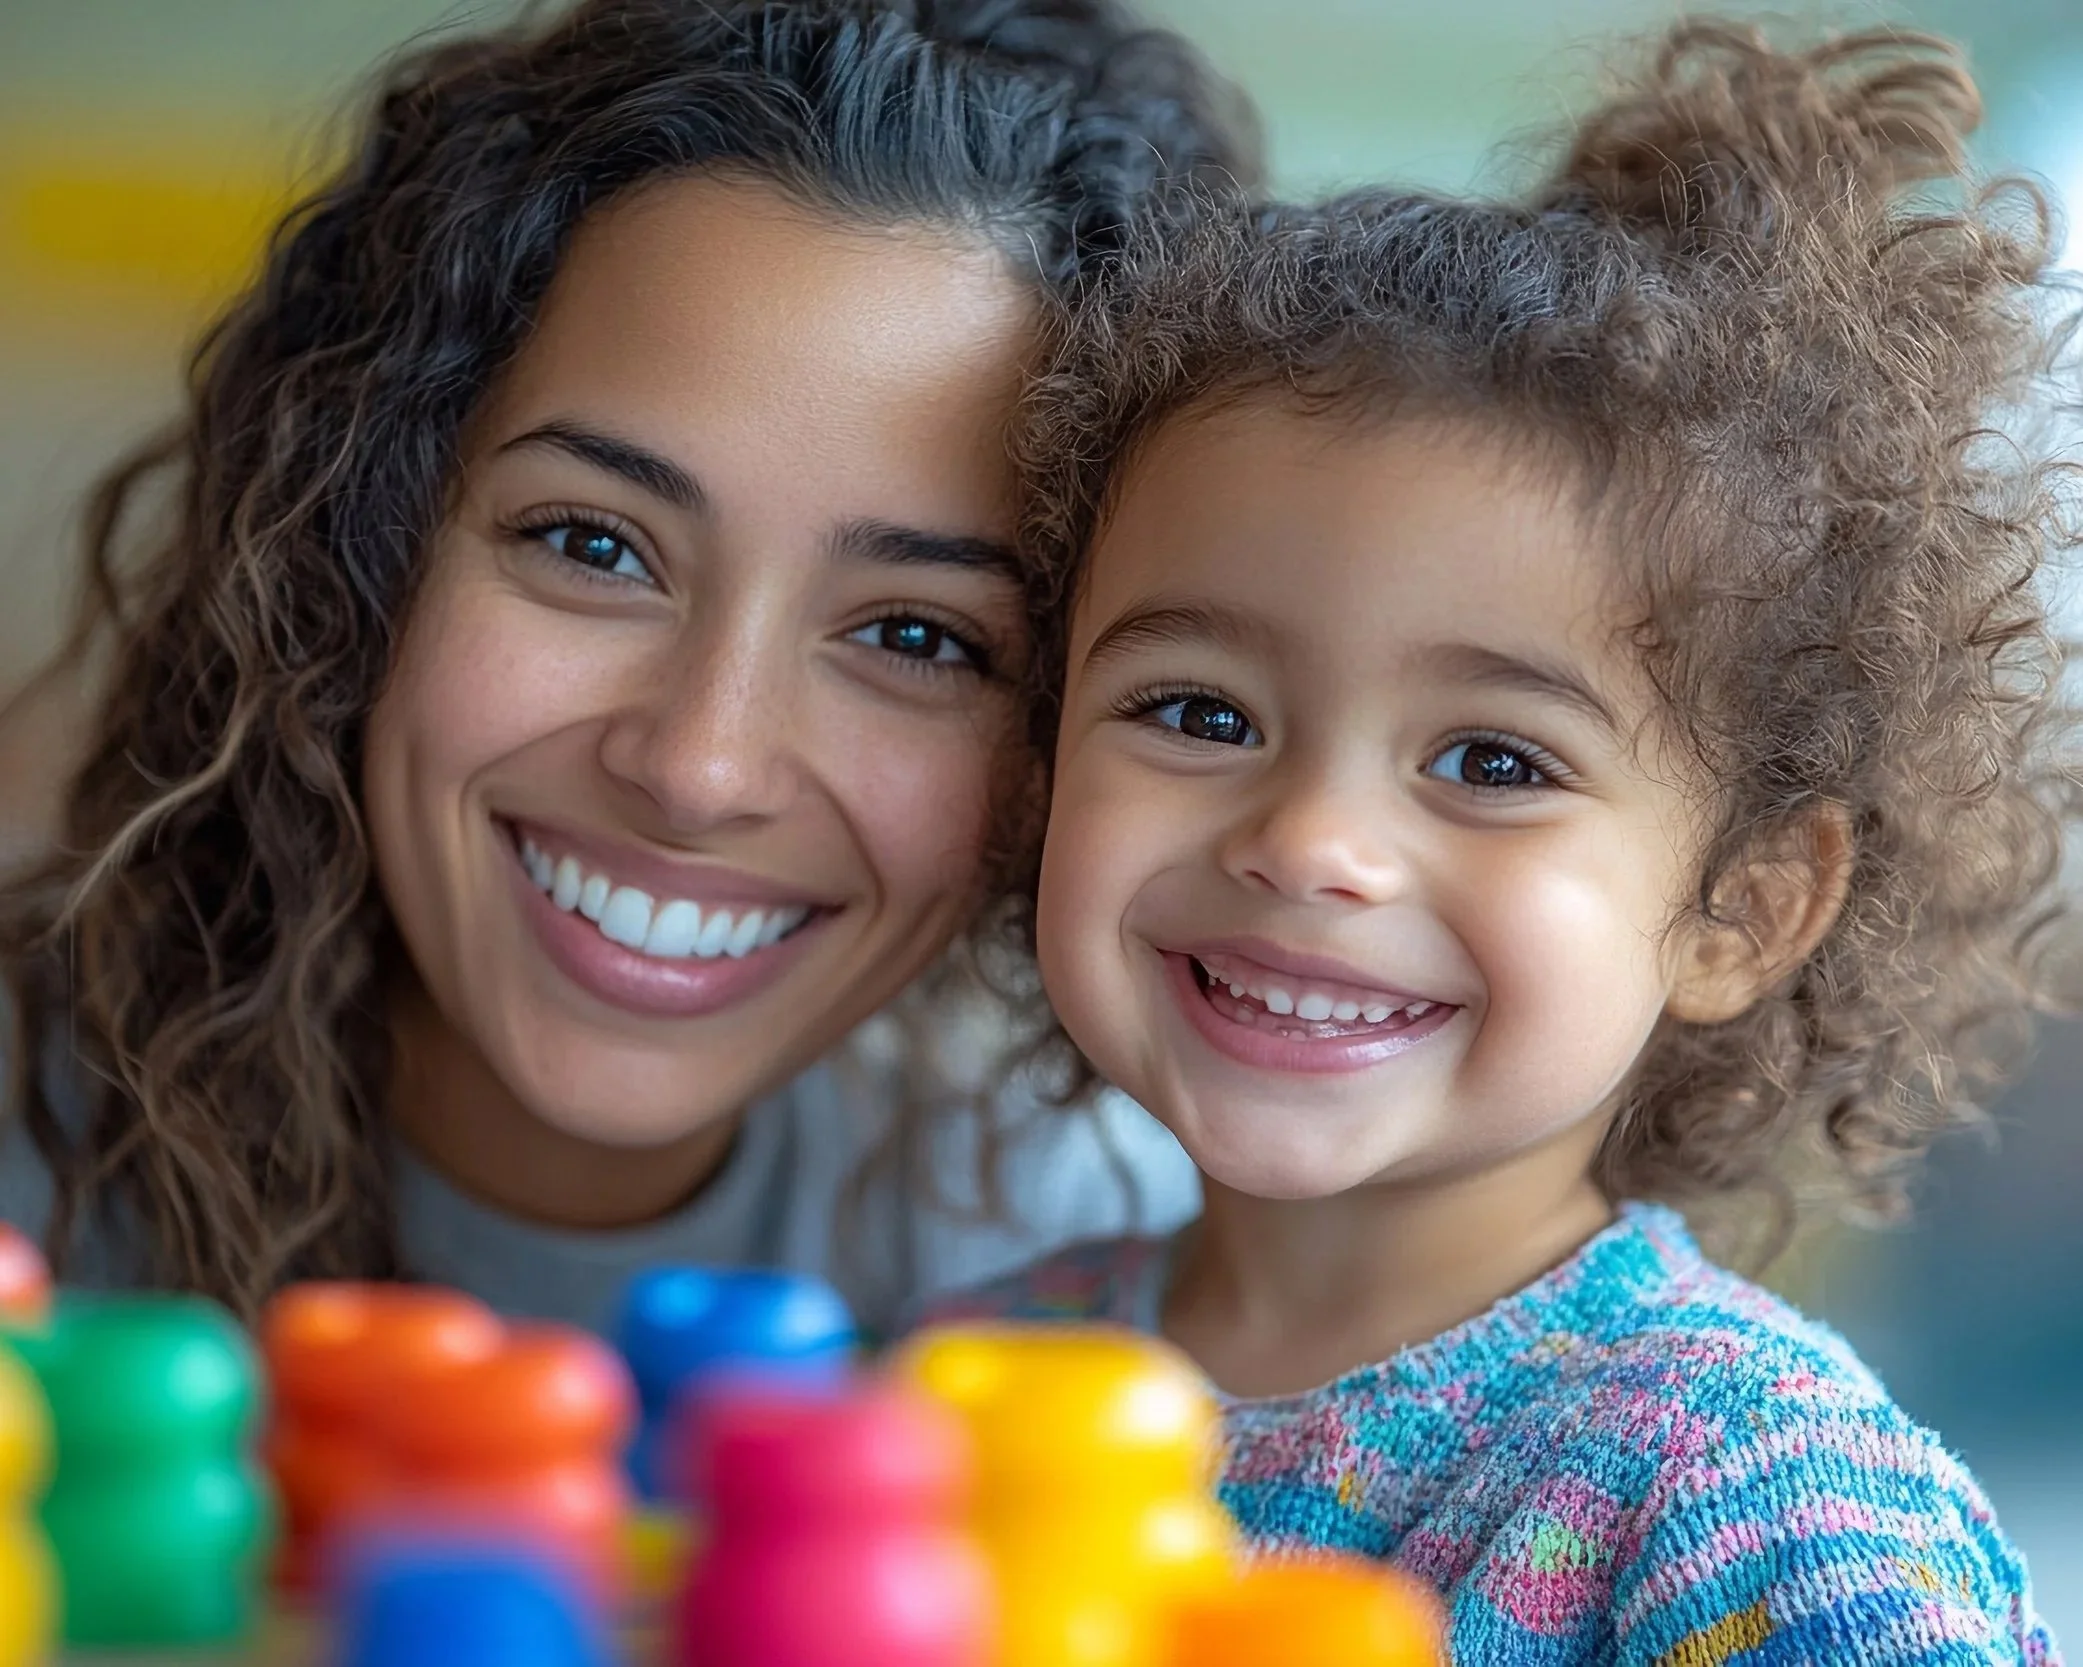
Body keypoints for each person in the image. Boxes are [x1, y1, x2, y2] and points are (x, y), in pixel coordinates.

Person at [925, 22, 2070, 1658]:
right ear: (1043, 771)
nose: (1311, 840)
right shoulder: (961, 1373)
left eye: (1488, 757)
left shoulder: (1751, 1494)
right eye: (1197, 713)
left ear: (1738, 910)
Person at [0, 0, 1261, 1337]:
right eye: (593, 546)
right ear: (357, 548)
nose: (697, 767)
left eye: (915, 636)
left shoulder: (1095, 1293)